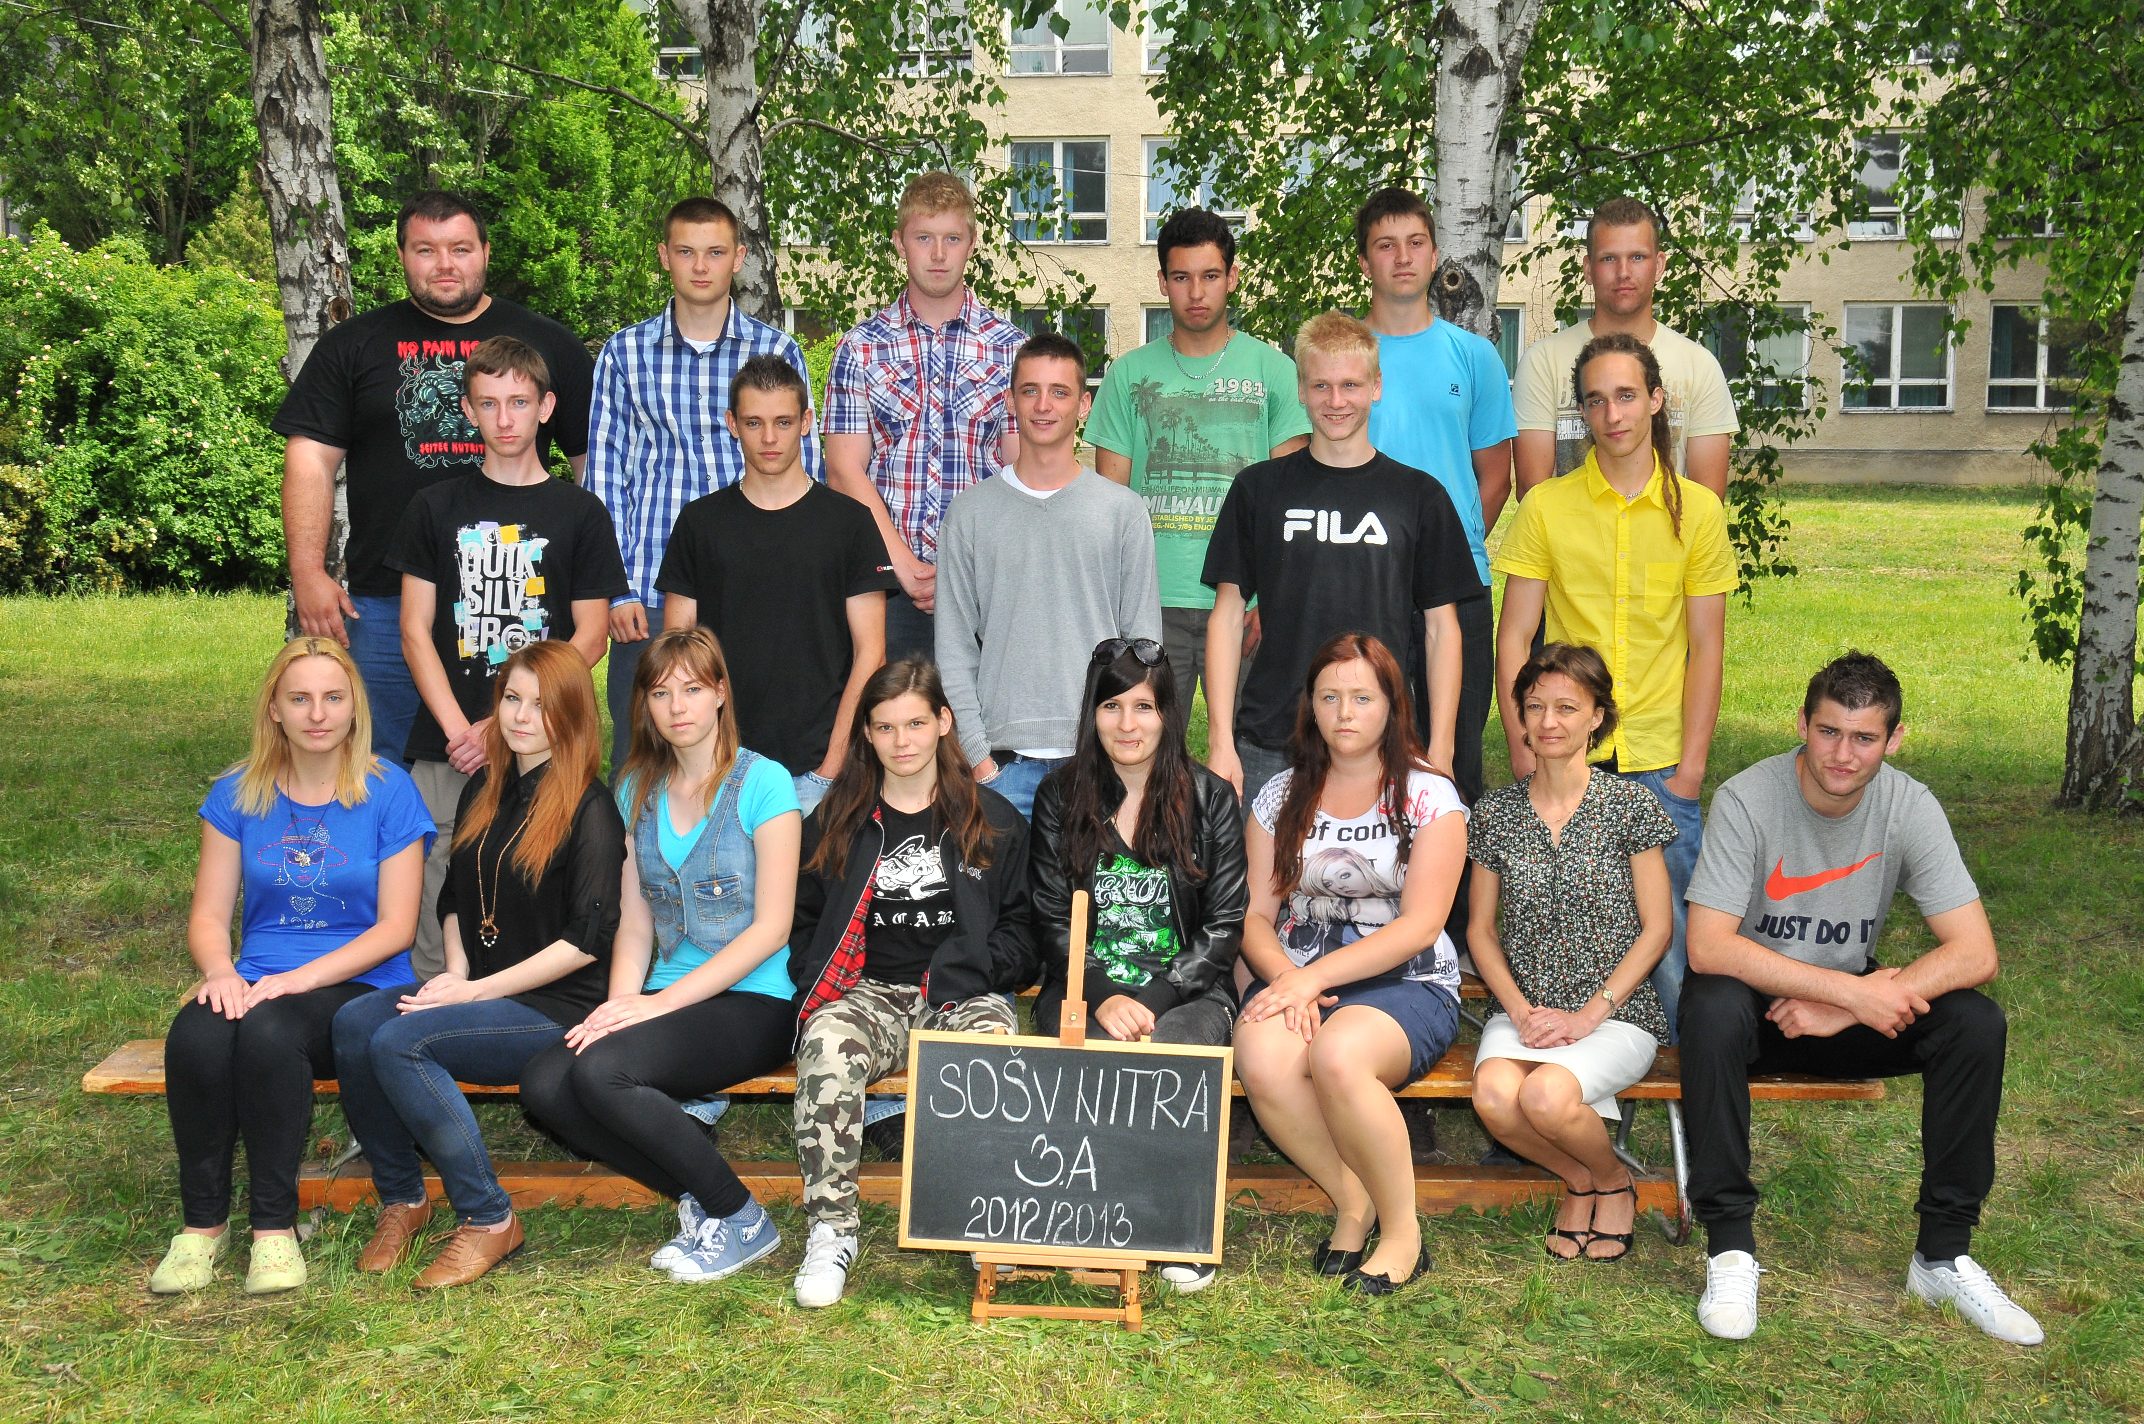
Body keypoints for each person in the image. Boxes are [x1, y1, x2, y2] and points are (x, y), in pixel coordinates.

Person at [1681, 653, 2042, 1346]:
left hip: (1846, 1013)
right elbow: (1708, 947)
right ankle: (1729, 1247)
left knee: (1974, 1022)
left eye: (1864, 737)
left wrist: (1851, 1007)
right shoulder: (1747, 798)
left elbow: (1976, 953)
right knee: (1712, 1007)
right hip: (1757, 1007)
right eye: (1828, 732)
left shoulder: (1909, 805)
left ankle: (1942, 1256)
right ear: (1802, 725)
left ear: (1894, 739)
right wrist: (1850, 992)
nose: (1843, 755)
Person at [331, 640, 625, 1290]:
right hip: (481, 990)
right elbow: (455, 900)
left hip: (556, 1009)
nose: (520, 716)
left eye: (540, 704)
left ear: (572, 713)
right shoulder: (485, 790)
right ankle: (403, 1199)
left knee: (402, 1042)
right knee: (354, 1023)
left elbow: (586, 941)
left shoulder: (591, 808)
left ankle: (490, 1217)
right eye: (512, 698)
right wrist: (459, 976)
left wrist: (477, 992)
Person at [150, 639, 434, 1296]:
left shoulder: (389, 790)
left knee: (271, 1032)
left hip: (360, 985)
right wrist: (220, 972)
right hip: (257, 977)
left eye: (333, 697)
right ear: (274, 709)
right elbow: (207, 915)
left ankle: (273, 1229)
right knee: (195, 1034)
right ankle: (202, 1227)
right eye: (300, 699)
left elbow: (395, 928)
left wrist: (298, 981)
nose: (318, 714)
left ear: (354, 706)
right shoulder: (237, 793)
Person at [519, 628, 801, 1283]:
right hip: (664, 994)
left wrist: (657, 1006)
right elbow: (635, 922)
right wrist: (621, 1005)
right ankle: (701, 1199)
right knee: (545, 1083)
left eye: (693, 689)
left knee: (602, 1074)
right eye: (661, 692)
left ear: (721, 693)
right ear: (643, 703)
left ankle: (743, 1220)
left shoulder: (765, 782)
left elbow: (772, 928)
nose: (678, 707)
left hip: (755, 998)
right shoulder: (636, 788)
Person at [274, 190, 595, 761]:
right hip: (385, 599)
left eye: (460, 248)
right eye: (426, 250)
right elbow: (309, 461)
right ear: (402, 255)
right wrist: (307, 572)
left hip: (517, 595)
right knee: (380, 764)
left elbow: (589, 464)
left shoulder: (549, 345)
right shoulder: (353, 345)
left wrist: (590, 582)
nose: (445, 264)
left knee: (524, 762)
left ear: (486, 253)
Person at [1493, 332, 1733, 1034]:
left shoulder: (1698, 511)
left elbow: (1706, 646)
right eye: (1595, 400)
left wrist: (1690, 769)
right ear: (1581, 413)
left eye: (1627, 395)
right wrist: (1522, 744)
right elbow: (1515, 637)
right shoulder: (1546, 507)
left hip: (1661, 762)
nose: (1613, 414)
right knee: (1562, 941)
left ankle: (1682, 1080)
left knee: (1674, 949)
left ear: (1657, 400)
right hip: (1569, 759)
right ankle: (1572, 1073)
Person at [787, 658, 1036, 1308]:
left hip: (959, 992)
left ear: (944, 723)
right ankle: (832, 1231)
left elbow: (1023, 930)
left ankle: (988, 1216)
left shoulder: (990, 819)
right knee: (826, 1046)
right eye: (885, 727)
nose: (902, 741)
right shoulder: (838, 819)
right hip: (868, 992)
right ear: (867, 734)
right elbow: (804, 919)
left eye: (916, 724)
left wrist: (975, 969)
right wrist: (819, 976)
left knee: (991, 1044)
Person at [1234, 634, 1469, 1295]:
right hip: (1297, 973)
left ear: (1392, 706)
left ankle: (1402, 1232)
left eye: (1362, 697)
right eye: (1330, 697)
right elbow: (1255, 917)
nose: (1344, 712)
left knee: (1338, 1054)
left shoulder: (1429, 797)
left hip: (1408, 981)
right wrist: (1292, 980)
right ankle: (1352, 1200)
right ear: (1309, 705)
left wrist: (1310, 980)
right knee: (1261, 1054)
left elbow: (1421, 924)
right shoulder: (1281, 795)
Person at [387, 336, 627, 976]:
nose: (505, 418)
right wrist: (462, 731)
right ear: (468, 411)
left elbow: (591, 635)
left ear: (546, 407)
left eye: (519, 402)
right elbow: (414, 630)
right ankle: (434, 1002)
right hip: (449, 743)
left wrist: (506, 721)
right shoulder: (435, 507)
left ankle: (523, 1006)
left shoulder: (580, 512)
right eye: (489, 404)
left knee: (540, 871)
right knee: (440, 877)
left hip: (546, 738)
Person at [1029, 637, 1248, 1294]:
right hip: (1084, 985)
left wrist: (1152, 1001)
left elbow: (1223, 926)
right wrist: (1100, 994)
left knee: (1174, 1058)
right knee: (1093, 1055)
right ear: (1092, 714)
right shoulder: (1060, 795)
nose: (1128, 724)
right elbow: (1051, 916)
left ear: (1167, 714)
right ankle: (1090, 1214)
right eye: (1112, 706)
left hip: (1186, 991)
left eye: (1144, 707)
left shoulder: (1210, 797)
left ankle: (1180, 1224)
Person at [1202, 312, 1482, 805]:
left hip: (1382, 740)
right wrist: (1220, 740)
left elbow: (1442, 629)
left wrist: (1441, 747)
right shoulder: (1258, 489)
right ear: (1301, 390)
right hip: (1272, 738)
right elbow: (1226, 617)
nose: (1336, 401)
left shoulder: (1418, 496)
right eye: (1321, 386)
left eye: (1350, 385)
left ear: (1376, 386)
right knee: (1264, 860)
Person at [585, 196, 824, 769]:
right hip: (649, 598)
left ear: (738, 258)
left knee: (757, 758)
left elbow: (805, 473)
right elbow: (605, 479)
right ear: (664, 256)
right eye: (686, 252)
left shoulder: (776, 351)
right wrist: (618, 590)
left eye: (715, 252)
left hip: (754, 592)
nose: (700, 266)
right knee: (644, 763)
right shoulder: (624, 354)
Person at [1465, 644, 1674, 1262]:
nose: (1549, 721)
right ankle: (1582, 1178)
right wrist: (1520, 1011)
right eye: (1535, 707)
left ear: (1597, 717)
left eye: (1566, 707)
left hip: (1616, 1011)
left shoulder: (1630, 807)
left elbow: (1657, 929)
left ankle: (1613, 1181)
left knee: (1546, 1097)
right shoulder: (1496, 814)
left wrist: (1588, 1015)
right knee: (1494, 1097)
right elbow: (1480, 931)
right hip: (1524, 1010)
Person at [1085, 207, 1310, 703]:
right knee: (1149, 744)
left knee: (1253, 743)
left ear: (1232, 278)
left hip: (1245, 600)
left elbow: (1292, 501)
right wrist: (1118, 604)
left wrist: (1273, 597)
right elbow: (1109, 506)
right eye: (1181, 277)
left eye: (1210, 276)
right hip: (1152, 603)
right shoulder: (1128, 376)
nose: (1196, 292)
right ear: (1162, 282)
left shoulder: (1274, 371)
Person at [935, 332, 1163, 818]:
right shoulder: (969, 514)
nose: (1043, 406)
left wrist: (1122, 752)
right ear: (1010, 400)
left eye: (1059, 392)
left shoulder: (1122, 512)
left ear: (1083, 405)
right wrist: (979, 761)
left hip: (1097, 762)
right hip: (1001, 770)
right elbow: (953, 648)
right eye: (1030, 390)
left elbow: (1143, 647)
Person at [658, 355, 895, 814]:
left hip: (817, 771)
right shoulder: (699, 523)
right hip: (718, 768)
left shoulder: (850, 523)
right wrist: (698, 759)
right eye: (754, 423)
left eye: (783, 422)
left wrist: (831, 767)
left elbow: (872, 653)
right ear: (732, 424)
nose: (769, 438)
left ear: (806, 422)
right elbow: (677, 653)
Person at [823, 171, 1026, 662]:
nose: (938, 254)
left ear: (972, 244)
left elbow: (1023, 470)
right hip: (885, 585)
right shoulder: (860, 348)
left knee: (981, 714)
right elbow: (843, 469)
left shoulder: (1011, 349)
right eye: (923, 238)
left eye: (952, 239)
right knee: (887, 711)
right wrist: (902, 564)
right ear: (900, 243)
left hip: (986, 584)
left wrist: (968, 567)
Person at [1355, 186, 1515, 804]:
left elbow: (1495, 476)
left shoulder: (1474, 356)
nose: (1402, 257)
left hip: (1458, 584)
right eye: (1386, 245)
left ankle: (1453, 872)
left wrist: (1446, 552)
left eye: (1415, 243)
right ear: (1365, 263)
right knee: (1364, 751)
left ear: (1434, 255)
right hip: (1362, 574)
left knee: (1455, 756)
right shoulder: (1343, 358)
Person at [1512, 196, 1739, 499]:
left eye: (1637, 257)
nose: (1623, 272)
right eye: (1608, 259)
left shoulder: (1700, 366)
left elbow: (1707, 500)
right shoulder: (1542, 362)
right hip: (1568, 531)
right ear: (1588, 269)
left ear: (1659, 265)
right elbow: (1532, 492)